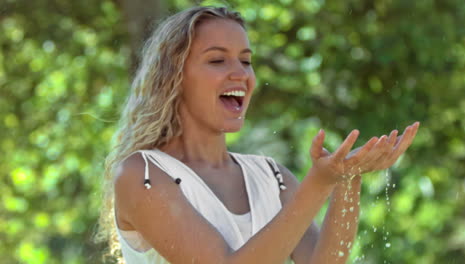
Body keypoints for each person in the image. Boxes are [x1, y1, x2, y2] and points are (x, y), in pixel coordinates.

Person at [96, 6, 419, 264]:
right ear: (174, 77)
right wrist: (317, 184)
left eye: (246, 60)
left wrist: (347, 180)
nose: (240, 73)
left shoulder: (270, 176)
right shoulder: (143, 174)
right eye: (217, 60)